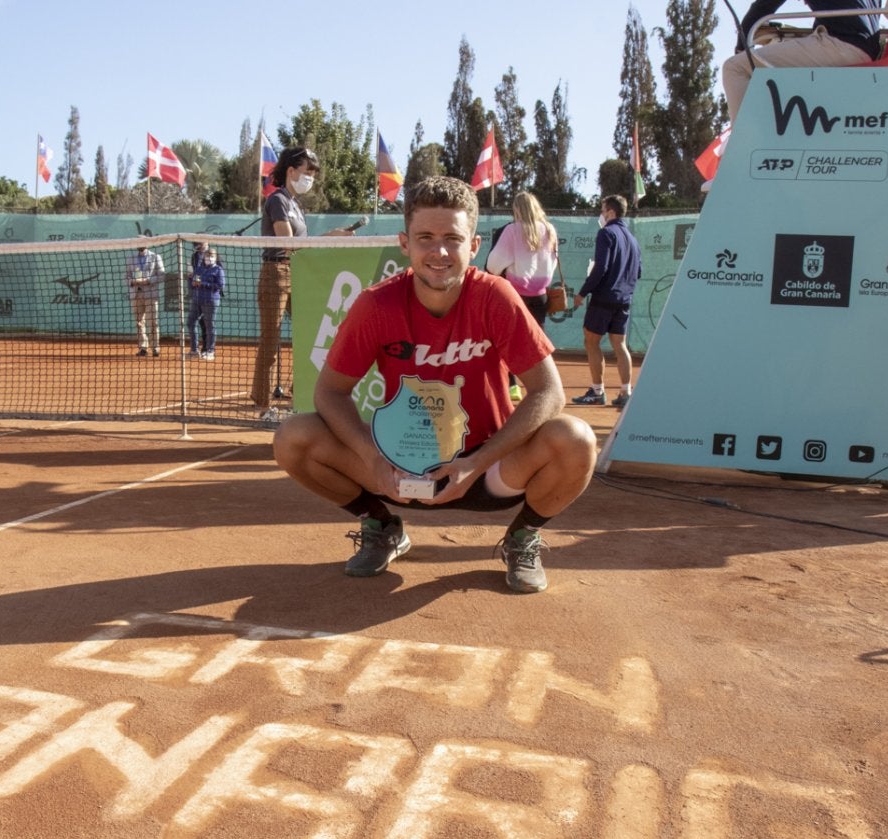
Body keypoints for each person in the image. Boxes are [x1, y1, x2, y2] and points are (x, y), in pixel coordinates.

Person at [273, 176, 597, 594]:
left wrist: (475, 463)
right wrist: (373, 458)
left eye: (452, 238)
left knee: (576, 439)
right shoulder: (376, 304)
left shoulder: (496, 297)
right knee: (292, 437)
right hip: (398, 467)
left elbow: (549, 392)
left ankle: (522, 538)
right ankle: (382, 526)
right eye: (425, 237)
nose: (439, 251)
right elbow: (329, 392)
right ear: (404, 242)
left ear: (474, 246)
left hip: (490, 470)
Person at [254, 147, 354, 423]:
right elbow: (288, 243)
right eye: (307, 172)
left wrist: (332, 237)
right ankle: (263, 407)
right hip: (276, 273)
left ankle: (302, 396)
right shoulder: (278, 201)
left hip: (298, 275)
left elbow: (303, 247)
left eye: (312, 173)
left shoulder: (297, 205)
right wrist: (328, 238)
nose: (310, 178)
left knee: (312, 335)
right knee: (270, 340)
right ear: (291, 171)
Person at [721, 1, 883, 120]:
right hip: (866, 50)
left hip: (841, 46)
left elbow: (763, 7)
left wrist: (741, 49)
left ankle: (746, 150)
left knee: (735, 68)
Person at [485, 192, 559, 403]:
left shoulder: (511, 230)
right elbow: (552, 264)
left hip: (514, 296)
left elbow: (493, 265)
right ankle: (544, 388)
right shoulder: (550, 230)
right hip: (540, 296)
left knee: (506, 342)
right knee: (538, 344)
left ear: (516, 209)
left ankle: (512, 386)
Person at [571, 195, 642, 408]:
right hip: (624, 299)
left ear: (610, 212)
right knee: (619, 344)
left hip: (603, 298)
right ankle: (625, 392)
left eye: (602, 210)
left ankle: (597, 391)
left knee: (591, 341)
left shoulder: (606, 233)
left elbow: (601, 268)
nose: (601, 214)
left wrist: (582, 293)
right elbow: (638, 272)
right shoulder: (633, 239)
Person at [127, 241, 165, 357]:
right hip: (136, 295)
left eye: (142, 242)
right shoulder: (130, 258)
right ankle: (143, 347)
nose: (139, 244)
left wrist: (148, 281)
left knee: (153, 322)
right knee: (139, 323)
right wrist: (132, 282)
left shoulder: (155, 257)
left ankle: (155, 348)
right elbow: (126, 276)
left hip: (151, 295)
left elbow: (162, 275)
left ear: (147, 244)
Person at [186, 246, 224, 361]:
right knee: (190, 322)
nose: (209, 258)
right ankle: (194, 350)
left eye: (212, 256)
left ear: (216, 257)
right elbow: (193, 282)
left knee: (209, 325)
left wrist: (203, 284)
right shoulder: (199, 269)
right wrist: (191, 281)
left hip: (210, 300)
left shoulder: (218, 270)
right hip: (197, 299)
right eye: (207, 255)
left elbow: (220, 286)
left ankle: (210, 351)